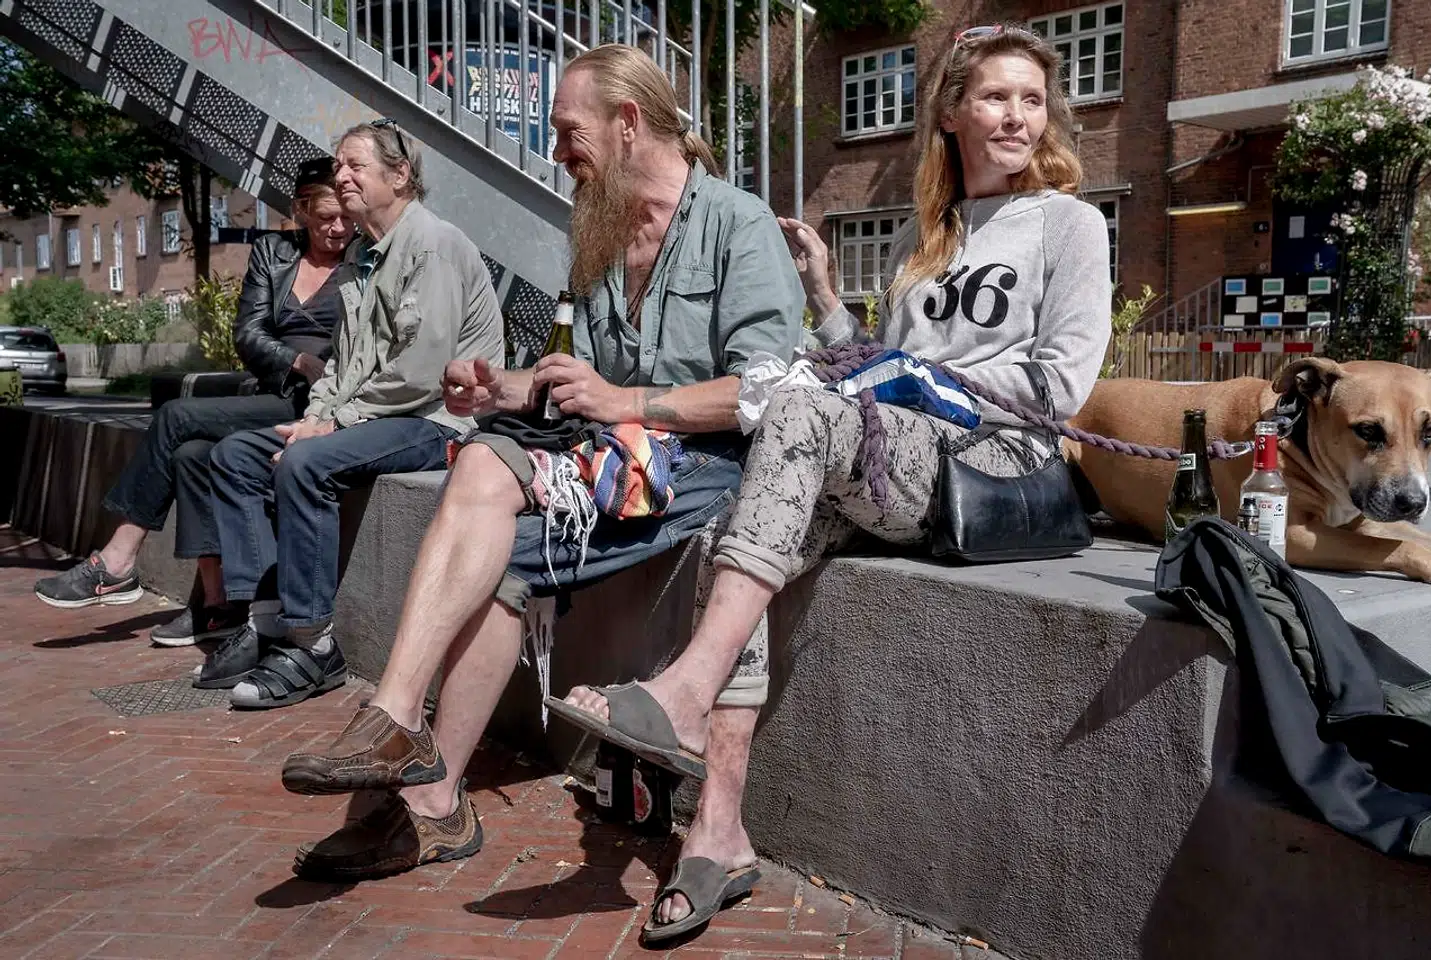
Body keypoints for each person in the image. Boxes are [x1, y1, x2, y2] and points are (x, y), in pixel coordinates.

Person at [553, 23, 1114, 940]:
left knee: (799, 416)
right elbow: (886, 360)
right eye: (995, 97)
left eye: (1031, 99)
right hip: (902, 458)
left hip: (994, 465)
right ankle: (718, 831)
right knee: (732, 527)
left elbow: (1059, 385)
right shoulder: (927, 235)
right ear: (951, 113)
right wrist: (823, 301)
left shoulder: (1071, 224)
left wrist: (922, 382)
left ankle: (685, 694)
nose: (1017, 116)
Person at [275, 44, 803, 904]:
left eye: (568, 132)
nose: (558, 152)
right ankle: (409, 743)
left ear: (628, 124)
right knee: (485, 461)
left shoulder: (736, 224)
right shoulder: (598, 229)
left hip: (700, 465)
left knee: (500, 528)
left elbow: (766, 392)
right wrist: (502, 386)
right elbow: (572, 385)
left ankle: (420, 773)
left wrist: (626, 398)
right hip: (606, 454)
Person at [200, 119, 504, 708]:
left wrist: (332, 425)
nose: (340, 175)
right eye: (337, 165)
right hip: (381, 414)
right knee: (236, 455)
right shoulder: (366, 254)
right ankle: (268, 619)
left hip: (437, 422)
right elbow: (342, 362)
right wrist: (318, 412)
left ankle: (315, 646)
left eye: (354, 165)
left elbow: (423, 371)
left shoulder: (431, 245)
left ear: (400, 174)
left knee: (305, 463)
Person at [34, 159, 355, 648]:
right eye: (325, 217)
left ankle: (118, 559)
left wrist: (323, 370)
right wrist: (294, 360)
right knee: (189, 454)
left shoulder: (365, 260)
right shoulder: (274, 251)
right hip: (276, 391)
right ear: (301, 211)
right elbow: (247, 332)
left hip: (323, 405)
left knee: (176, 415)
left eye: (345, 217)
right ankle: (217, 604)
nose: (337, 228)